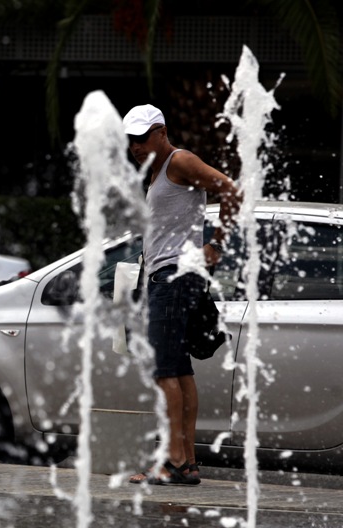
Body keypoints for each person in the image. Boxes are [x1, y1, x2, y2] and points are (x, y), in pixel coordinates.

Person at [123, 103, 239, 485]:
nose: (136, 146)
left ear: (161, 131)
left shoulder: (179, 160)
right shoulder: (159, 171)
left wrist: (216, 246)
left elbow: (230, 190)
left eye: (142, 138)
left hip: (173, 277)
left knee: (165, 372)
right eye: (131, 140)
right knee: (180, 371)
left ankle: (171, 462)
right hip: (172, 276)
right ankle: (186, 461)